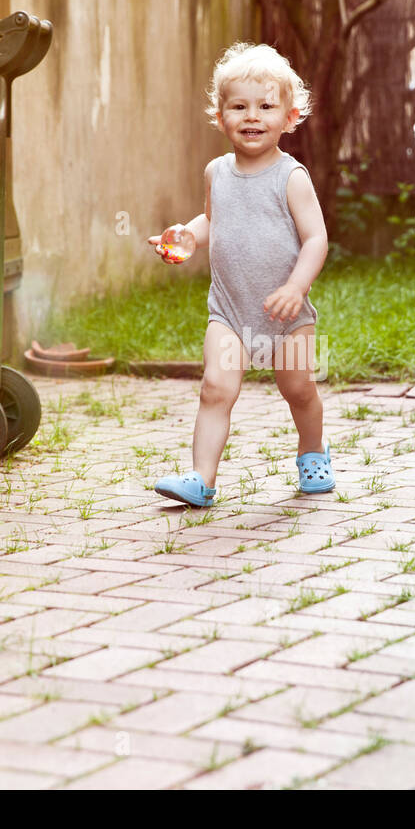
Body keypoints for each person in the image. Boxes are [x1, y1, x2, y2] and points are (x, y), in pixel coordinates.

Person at [146, 42, 333, 507]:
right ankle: (201, 479)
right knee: (215, 388)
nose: (252, 116)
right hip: (230, 311)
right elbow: (214, 220)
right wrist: (186, 237)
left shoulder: (292, 177)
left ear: (289, 116)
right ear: (220, 116)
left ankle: (313, 451)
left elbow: (316, 239)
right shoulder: (217, 173)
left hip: (287, 316)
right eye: (239, 107)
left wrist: (296, 287)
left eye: (266, 107)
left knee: (298, 389)